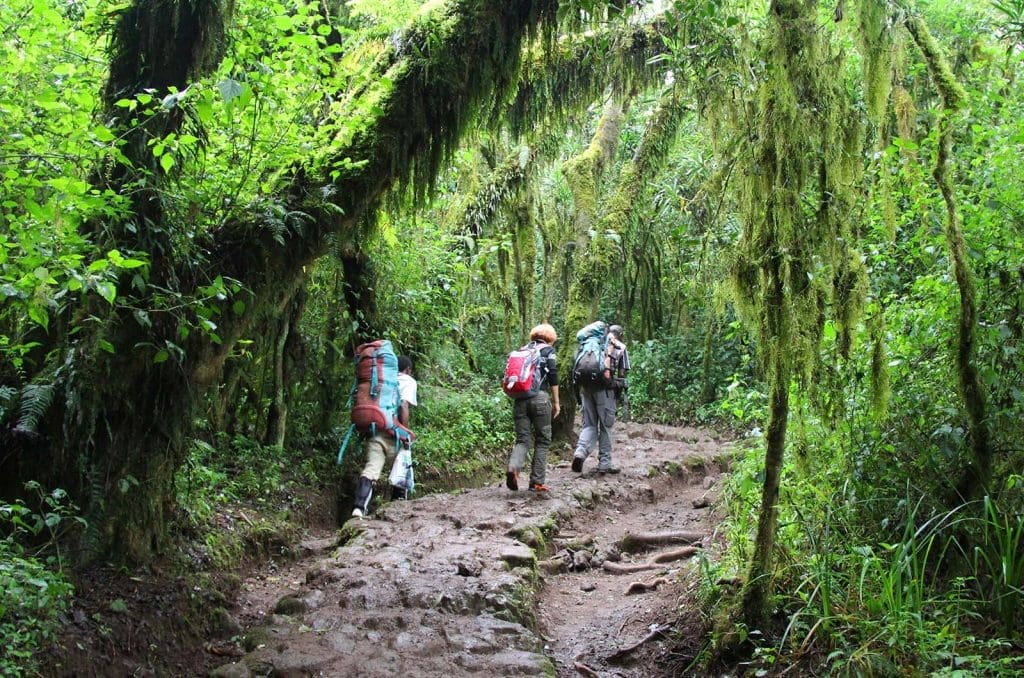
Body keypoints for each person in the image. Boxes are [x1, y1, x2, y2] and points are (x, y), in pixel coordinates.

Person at [352, 355, 418, 517]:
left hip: (376, 430)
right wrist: (404, 432)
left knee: (372, 469)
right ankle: (398, 507)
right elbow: (403, 405)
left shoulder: (381, 380)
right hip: (394, 434)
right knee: (402, 468)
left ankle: (358, 509)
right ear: (408, 370)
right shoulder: (408, 381)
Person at [506, 324, 561, 493]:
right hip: (540, 399)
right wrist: (557, 402)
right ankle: (536, 482)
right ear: (551, 338)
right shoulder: (548, 351)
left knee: (523, 439)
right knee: (543, 440)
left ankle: (513, 468)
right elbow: (553, 376)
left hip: (520, 400)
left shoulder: (523, 350)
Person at [572, 323, 630, 475]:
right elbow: (622, 375)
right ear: (620, 334)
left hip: (586, 390)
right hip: (605, 392)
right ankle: (604, 464)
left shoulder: (587, 344)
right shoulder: (619, 347)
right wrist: (617, 395)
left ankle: (580, 453)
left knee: (588, 425)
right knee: (605, 427)